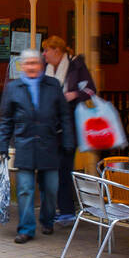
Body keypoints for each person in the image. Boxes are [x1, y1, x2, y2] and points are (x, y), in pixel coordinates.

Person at [0, 48, 74, 244]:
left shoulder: (53, 85)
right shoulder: (14, 88)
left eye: (35, 63)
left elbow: (64, 116)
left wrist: (67, 141)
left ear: (41, 65)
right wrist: (3, 144)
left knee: (50, 188)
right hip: (25, 144)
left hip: (49, 144)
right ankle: (26, 229)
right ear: (22, 66)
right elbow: (6, 119)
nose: (32, 67)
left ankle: (47, 220)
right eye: (28, 63)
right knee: (24, 189)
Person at [43, 36, 96, 225]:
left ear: (57, 51)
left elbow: (91, 90)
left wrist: (74, 94)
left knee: (64, 168)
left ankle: (66, 211)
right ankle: (60, 209)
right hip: (49, 126)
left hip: (68, 126)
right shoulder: (46, 68)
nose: (44, 54)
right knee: (51, 169)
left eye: (47, 50)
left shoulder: (75, 65)